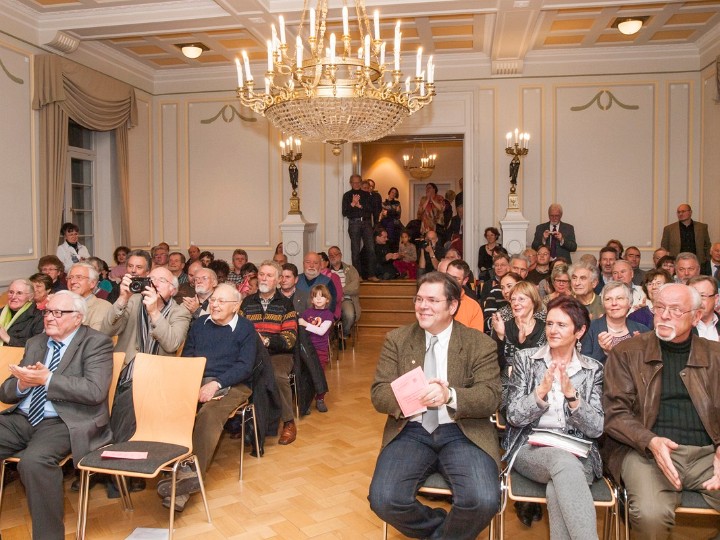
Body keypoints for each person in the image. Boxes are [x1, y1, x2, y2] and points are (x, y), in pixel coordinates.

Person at [368, 272, 501, 540]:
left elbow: (490, 397)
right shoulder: (398, 340)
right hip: (412, 431)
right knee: (384, 499)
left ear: (452, 306)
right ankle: (443, 529)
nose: (422, 306)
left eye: (432, 300)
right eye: (419, 299)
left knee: (484, 501)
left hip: (463, 432)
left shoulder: (479, 343)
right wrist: (414, 396)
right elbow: (379, 393)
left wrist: (449, 395)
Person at [602, 283, 720, 539]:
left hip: (708, 455)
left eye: (676, 310)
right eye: (660, 307)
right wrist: (651, 441)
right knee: (650, 515)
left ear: (696, 317)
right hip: (645, 453)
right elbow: (615, 413)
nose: (665, 315)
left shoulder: (715, 355)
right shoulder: (627, 352)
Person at [0, 290, 113, 540]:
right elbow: (6, 391)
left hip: (64, 420)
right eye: (48, 312)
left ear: (78, 318)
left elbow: (95, 391)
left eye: (58, 313)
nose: (50, 317)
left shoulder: (96, 342)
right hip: (22, 417)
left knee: (34, 462)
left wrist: (48, 379)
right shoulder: (36, 342)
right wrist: (22, 384)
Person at [504, 296, 604, 540]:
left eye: (561, 325)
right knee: (564, 464)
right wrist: (539, 394)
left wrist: (573, 397)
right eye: (549, 323)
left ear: (579, 331)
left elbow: (596, 428)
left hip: (579, 451)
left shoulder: (592, 369)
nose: (552, 330)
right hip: (531, 447)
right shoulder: (526, 359)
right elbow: (513, 416)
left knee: (558, 487)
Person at [155, 283, 256, 511]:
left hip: (233, 383)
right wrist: (188, 385)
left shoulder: (245, 328)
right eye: (213, 300)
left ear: (236, 306)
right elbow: (188, 358)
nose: (215, 305)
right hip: (198, 379)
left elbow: (245, 366)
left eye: (221, 301)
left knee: (209, 414)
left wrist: (216, 384)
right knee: (170, 406)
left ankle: (189, 477)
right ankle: (172, 468)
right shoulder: (200, 325)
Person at [101, 250, 191, 478]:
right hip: (122, 371)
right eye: (153, 279)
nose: (156, 283)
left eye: (162, 280)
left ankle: (115, 469)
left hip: (156, 379)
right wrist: (122, 298)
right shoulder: (132, 303)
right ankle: (112, 461)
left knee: (126, 401)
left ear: (173, 290)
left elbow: (172, 343)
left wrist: (154, 313)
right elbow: (106, 330)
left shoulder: (180, 312)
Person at [240, 261, 298, 445]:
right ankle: (244, 423)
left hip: (278, 353)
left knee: (277, 375)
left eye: (269, 275)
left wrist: (266, 341)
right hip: (252, 352)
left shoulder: (286, 304)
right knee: (239, 373)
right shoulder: (247, 302)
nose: (264, 278)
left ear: (279, 280)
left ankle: (288, 422)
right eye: (261, 274)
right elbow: (238, 332)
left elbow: (289, 338)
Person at [580, 281, 649, 363]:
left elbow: (650, 365)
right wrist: (605, 353)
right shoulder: (590, 329)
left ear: (630, 303)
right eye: (608, 299)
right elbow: (584, 364)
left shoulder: (643, 330)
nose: (614, 303)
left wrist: (639, 349)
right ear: (603, 304)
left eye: (619, 298)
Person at [298, 284, 334, 412]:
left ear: (327, 300)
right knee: (307, 375)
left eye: (322, 296)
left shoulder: (328, 315)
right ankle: (307, 400)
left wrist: (305, 324)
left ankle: (320, 398)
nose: (318, 299)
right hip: (307, 349)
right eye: (315, 296)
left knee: (319, 374)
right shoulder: (306, 313)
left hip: (320, 350)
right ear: (312, 300)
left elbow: (321, 331)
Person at [341, 174, 377, 281]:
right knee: (355, 250)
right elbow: (345, 212)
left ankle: (371, 274)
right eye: (354, 182)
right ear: (350, 183)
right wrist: (353, 203)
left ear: (361, 183)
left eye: (358, 182)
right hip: (354, 223)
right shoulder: (347, 195)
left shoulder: (367, 195)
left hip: (366, 223)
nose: (356, 184)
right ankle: (358, 276)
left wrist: (360, 206)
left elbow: (371, 209)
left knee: (371, 249)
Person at [327, 246, 361, 341]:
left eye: (335, 254)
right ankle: (330, 336)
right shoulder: (326, 271)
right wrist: (334, 296)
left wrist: (340, 291)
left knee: (349, 315)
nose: (333, 256)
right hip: (330, 301)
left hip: (346, 299)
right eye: (330, 255)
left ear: (340, 255)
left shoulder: (350, 269)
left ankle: (343, 335)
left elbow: (355, 286)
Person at [66, 262, 112, 331]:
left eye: (79, 277)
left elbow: (95, 336)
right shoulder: (61, 304)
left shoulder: (103, 307)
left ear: (92, 283)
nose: (72, 281)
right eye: (70, 278)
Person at [0, 279, 44, 347]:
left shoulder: (39, 317)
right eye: (11, 292)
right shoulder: (1, 312)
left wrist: (8, 339)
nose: (13, 297)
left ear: (30, 297)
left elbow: (37, 346)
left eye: (19, 293)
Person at [444, 259, 484, 332]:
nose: (450, 281)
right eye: (448, 276)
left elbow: (476, 337)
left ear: (465, 280)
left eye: (455, 278)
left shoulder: (473, 307)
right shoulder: (432, 299)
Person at [687, 275, 719, 341]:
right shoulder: (681, 326)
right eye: (693, 296)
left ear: (716, 299)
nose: (698, 301)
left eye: (702, 296)